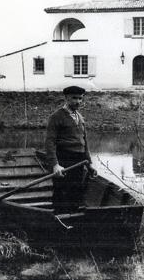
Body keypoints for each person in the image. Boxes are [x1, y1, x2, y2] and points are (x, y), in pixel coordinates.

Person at [45, 85, 97, 213]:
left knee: (75, 192)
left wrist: (89, 164)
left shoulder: (80, 117)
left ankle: (73, 220)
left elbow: (84, 143)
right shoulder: (56, 117)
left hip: (79, 161)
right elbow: (49, 142)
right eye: (74, 98)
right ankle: (58, 220)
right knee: (61, 192)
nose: (78, 101)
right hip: (64, 159)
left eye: (80, 98)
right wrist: (55, 165)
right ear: (66, 98)